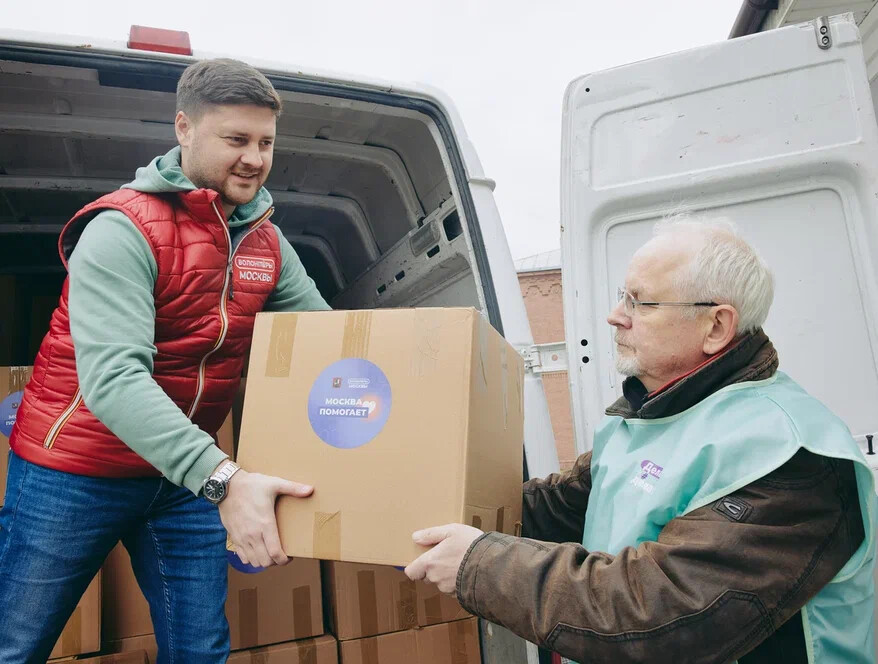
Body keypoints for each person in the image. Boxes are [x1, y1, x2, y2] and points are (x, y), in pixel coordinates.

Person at [405, 218, 876, 664]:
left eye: (640, 302)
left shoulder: (788, 456)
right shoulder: (651, 416)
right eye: (621, 297)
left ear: (716, 327)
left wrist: (480, 565)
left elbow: (659, 614)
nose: (615, 317)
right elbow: (560, 506)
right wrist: (405, 510)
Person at [0, 58, 329, 664]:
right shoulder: (122, 229)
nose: (254, 158)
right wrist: (225, 479)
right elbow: (114, 380)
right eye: (236, 139)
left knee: (200, 650)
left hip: (180, 479)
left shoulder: (266, 242)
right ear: (183, 128)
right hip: (75, 471)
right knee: (16, 646)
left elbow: (329, 343)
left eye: (265, 142)